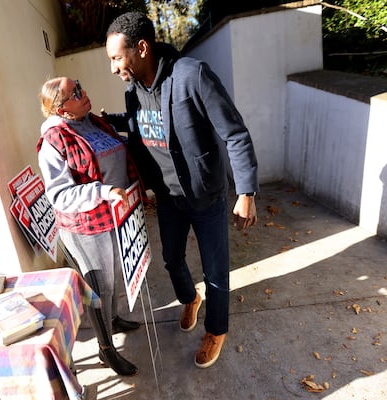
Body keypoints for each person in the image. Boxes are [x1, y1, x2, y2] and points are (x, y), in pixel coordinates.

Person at [104, 12, 259, 368]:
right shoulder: (133, 93)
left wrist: (246, 192)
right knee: (172, 259)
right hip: (169, 198)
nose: (113, 68)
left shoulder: (192, 76)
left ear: (141, 48)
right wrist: (104, 122)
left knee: (216, 271)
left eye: (116, 58)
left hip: (205, 196)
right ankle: (190, 298)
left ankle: (216, 329)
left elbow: (234, 133)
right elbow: (136, 128)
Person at [37, 77, 142, 376]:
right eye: (76, 93)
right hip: (86, 224)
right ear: (61, 108)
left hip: (114, 215)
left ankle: (115, 318)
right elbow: (58, 195)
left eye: (81, 86)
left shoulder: (93, 121)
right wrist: (102, 191)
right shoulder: (53, 142)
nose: (84, 94)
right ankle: (106, 350)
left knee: (116, 274)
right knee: (100, 285)